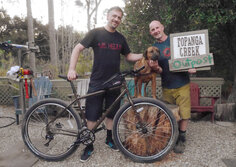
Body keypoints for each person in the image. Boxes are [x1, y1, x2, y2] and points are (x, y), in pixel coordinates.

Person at [67, 6, 142, 162]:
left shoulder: (121, 38)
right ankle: (88, 145)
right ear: (108, 16)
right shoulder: (96, 33)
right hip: (97, 81)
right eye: (114, 16)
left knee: (112, 113)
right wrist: (71, 69)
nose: (116, 19)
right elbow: (77, 48)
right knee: (92, 115)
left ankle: (109, 139)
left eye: (119, 17)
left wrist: (145, 54)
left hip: (115, 81)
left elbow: (128, 55)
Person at [148, 20, 196, 153]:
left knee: (184, 112)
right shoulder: (154, 49)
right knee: (170, 113)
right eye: (153, 29)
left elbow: (189, 54)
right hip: (167, 85)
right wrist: (156, 68)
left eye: (157, 27)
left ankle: (182, 138)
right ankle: (173, 136)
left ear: (162, 27)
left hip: (182, 83)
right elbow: (160, 70)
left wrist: (192, 65)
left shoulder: (175, 41)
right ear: (150, 33)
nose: (156, 31)